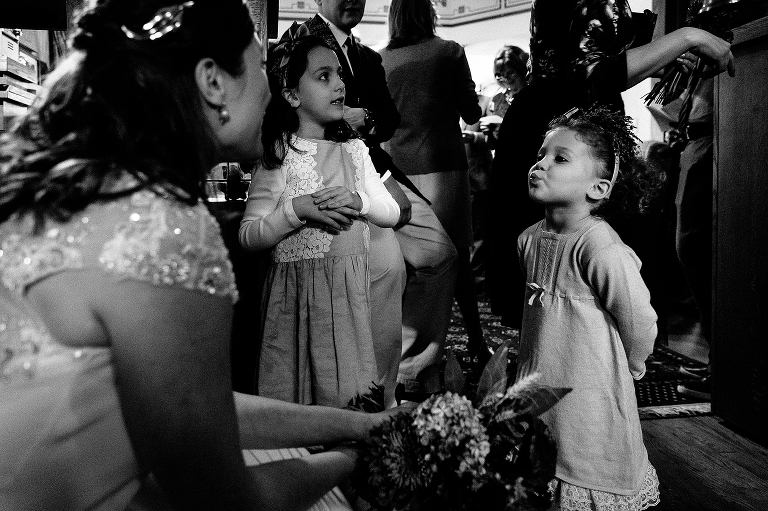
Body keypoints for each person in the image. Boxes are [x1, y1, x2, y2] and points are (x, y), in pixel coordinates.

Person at [0, 1, 406, 509]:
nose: (265, 85)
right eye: (259, 64)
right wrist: (355, 458)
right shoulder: (164, 232)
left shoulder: (72, 186)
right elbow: (227, 502)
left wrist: (361, 425)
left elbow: (198, 408)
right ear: (213, 83)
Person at [485, 0, 735, 329]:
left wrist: (665, 58)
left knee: (585, 270)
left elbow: (591, 65)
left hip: (574, 124)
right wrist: (688, 37)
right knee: (567, 272)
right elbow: (591, 75)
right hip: (562, 130)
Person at [301, 0, 458, 406]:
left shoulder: (368, 55)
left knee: (439, 255)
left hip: (376, 168)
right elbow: (283, 115)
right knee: (377, 272)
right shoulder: (297, 41)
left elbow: (388, 118)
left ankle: (410, 371)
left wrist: (363, 116)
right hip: (325, 173)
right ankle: (360, 388)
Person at [238, 29, 400, 408]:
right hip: (296, 303)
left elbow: (390, 213)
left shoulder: (355, 150)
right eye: (323, 76)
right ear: (292, 94)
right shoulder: (280, 153)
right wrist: (296, 211)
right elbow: (248, 235)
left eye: (339, 74)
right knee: (297, 398)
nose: (339, 84)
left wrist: (358, 201)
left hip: (349, 301)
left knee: (347, 392)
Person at [517, 108, 663, 509]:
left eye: (559, 159)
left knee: (584, 451)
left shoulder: (599, 247)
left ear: (598, 189)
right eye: (541, 154)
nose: (540, 164)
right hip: (542, 377)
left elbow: (638, 320)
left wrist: (631, 367)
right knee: (545, 453)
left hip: (591, 387)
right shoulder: (529, 239)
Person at [380, 0, 489, 378]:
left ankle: (406, 349)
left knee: (413, 264)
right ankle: (476, 340)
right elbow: (472, 113)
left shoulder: (380, 60)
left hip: (397, 170)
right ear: (429, 13)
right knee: (456, 255)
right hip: (443, 167)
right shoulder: (449, 52)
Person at [462, 45, 529, 291]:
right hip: (500, 166)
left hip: (524, 165)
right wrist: (485, 136)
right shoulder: (498, 100)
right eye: (499, 74)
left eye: (508, 73)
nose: (503, 78)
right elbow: (492, 141)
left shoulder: (530, 97)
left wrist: (505, 129)